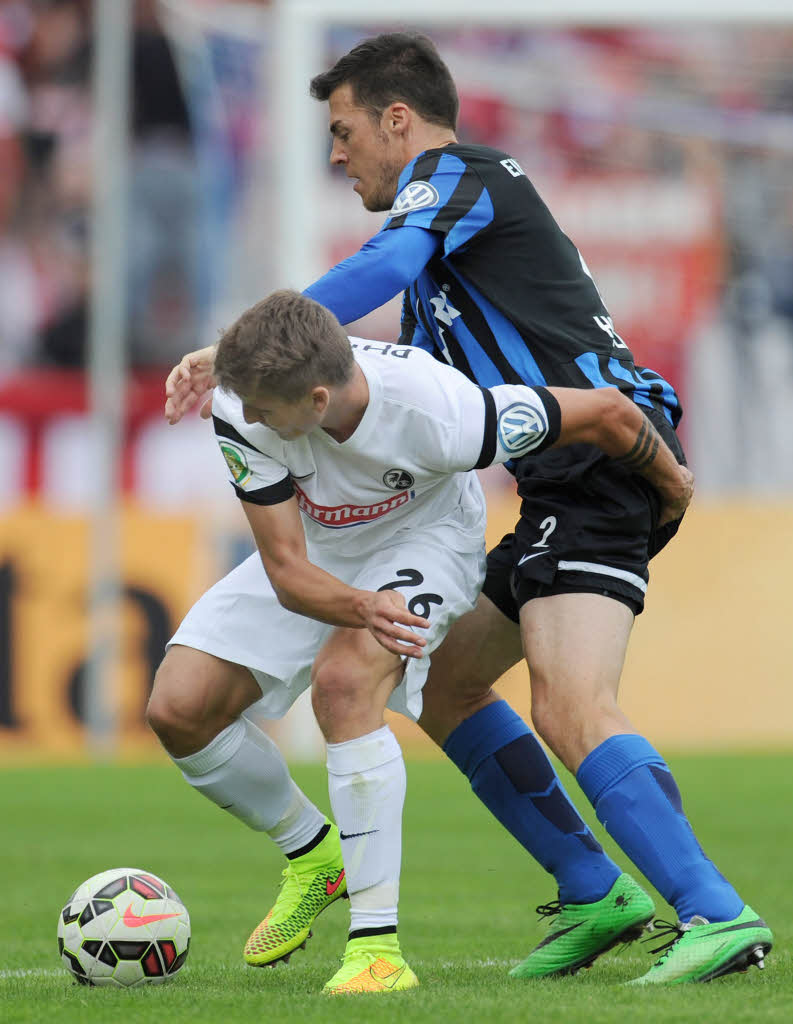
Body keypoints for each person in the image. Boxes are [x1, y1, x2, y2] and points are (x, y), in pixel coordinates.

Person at [162, 34, 771, 986]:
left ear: (395, 119)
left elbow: (386, 263)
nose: (336, 152)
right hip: (559, 476)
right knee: (443, 684)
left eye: (344, 128)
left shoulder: (460, 177)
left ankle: (713, 911)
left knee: (573, 704)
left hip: (600, 461)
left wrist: (247, 338)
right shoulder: (457, 254)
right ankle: (591, 886)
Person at [149, 289, 694, 994]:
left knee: (345, 685)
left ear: (317, 401)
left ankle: (375, 950)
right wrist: (356, 602)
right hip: (321, 551)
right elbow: (287, 571)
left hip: (426, 539)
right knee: (178, 708)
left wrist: (672, 483)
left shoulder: (445, 413)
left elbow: (609, 412)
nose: (246, 417)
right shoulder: (239, 402)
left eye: (262, 411)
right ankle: (314, 854)